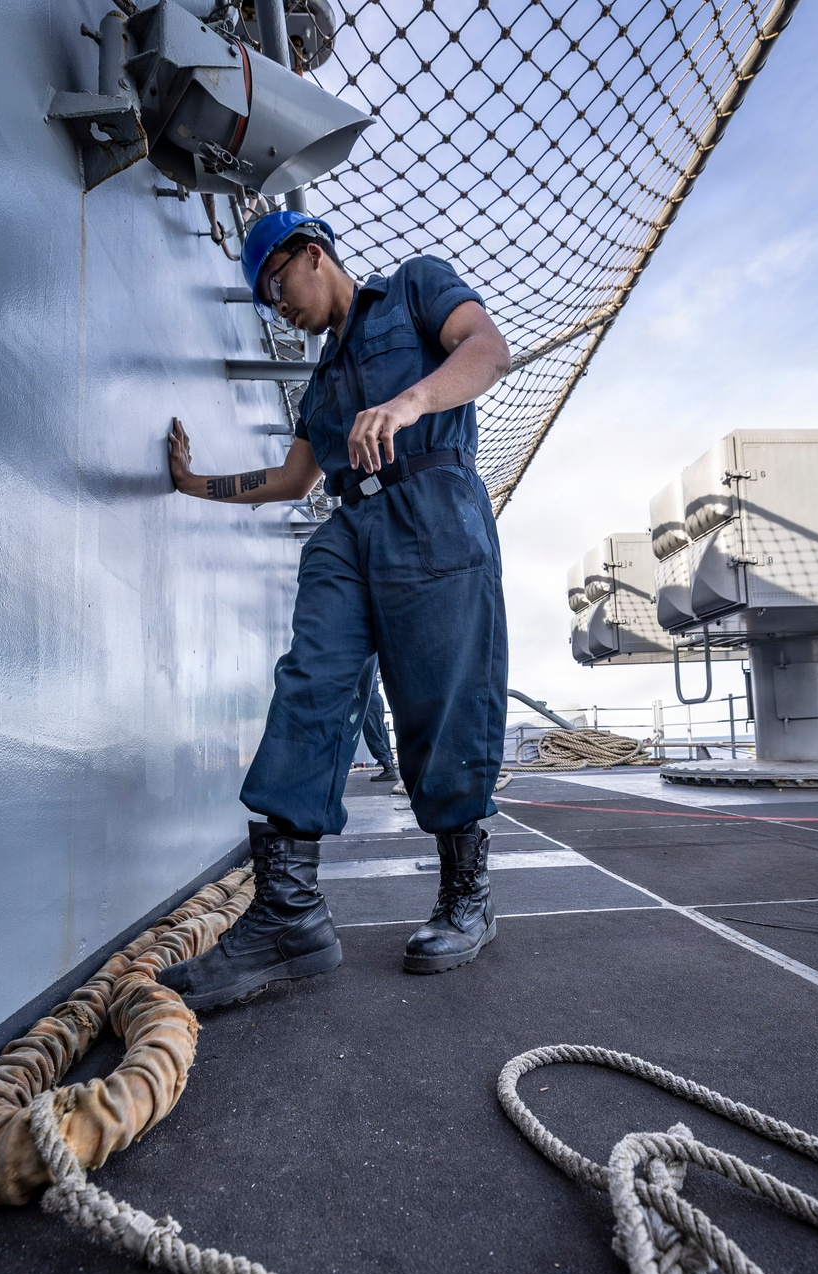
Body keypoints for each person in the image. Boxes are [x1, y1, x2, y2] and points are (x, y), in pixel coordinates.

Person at [160, 210, 510, 1010]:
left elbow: (488, 350)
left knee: (442, 703)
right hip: (350, 530)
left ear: (312, 254)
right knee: (310, 683)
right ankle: (290, 914)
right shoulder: (317, 388)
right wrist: (192, 484)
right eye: (264, 298)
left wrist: (409, 404)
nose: (276, 304)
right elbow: (293, 480)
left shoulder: (414, 288)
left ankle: (468, 895)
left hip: (435, 510)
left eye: (276, 283)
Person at [356, 656, 398, 782]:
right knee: (380, 731)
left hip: (367, 698)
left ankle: (388, 767)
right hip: (375, 698)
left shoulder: (361, 658)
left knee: (372, 733)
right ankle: (389, 763)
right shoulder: (372, 658)